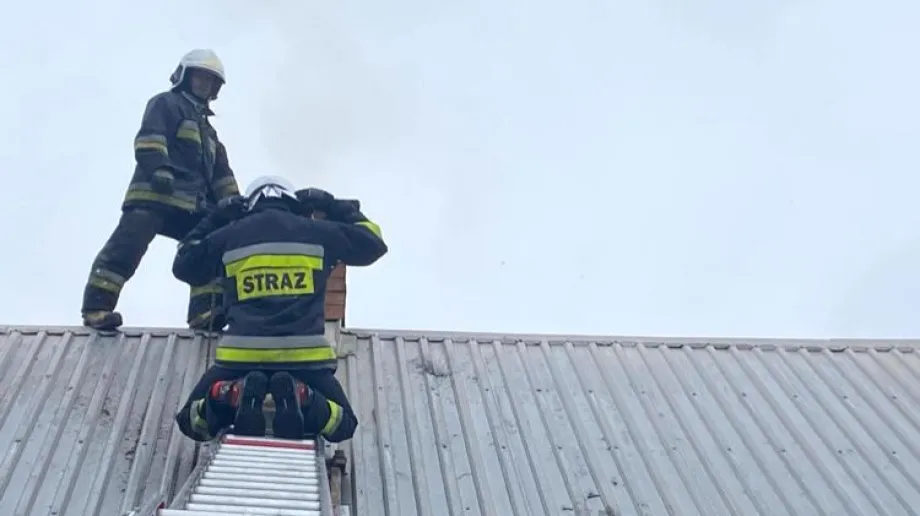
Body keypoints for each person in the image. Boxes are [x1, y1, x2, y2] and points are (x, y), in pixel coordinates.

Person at [172, 175, 388, 443]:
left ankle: (232, 393)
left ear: (249, 204)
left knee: (192, 421)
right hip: (305, 358)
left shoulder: (229, 235)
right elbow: (373, 242)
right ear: (292, 201)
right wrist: (332, 205)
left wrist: (216, 217)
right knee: (342, 423)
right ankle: (303, 397)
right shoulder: (319, 232)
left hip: (239, 357)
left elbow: (184, 262)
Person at [80, 48, 240, 331]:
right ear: (185, 77)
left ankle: (204, 314)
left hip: (192, 204)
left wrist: (233, 205)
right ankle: (97, 308)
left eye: (210, 81)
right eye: (200, 77)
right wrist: (159, 168)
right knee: (126, 247)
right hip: (153, 195)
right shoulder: (166, 104)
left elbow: (221, 176)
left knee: (210, 246)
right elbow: (150, 138)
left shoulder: (210, 133)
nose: (204, 84)